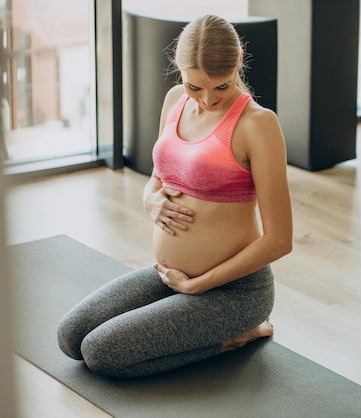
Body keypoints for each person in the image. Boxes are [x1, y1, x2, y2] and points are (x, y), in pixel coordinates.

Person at [57, 14, 292, 378]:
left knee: (101, 353)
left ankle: (231, 338)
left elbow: (280, 240)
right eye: (195, 86)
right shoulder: (175, 101)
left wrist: (198, 285)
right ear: (180, 70)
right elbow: (157, 179)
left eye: (222, 87)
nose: (208, 99)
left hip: (234, 292)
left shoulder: (258, 124)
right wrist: (149, 198)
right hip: (171, 276)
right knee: (70, 337)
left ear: (239, 63)